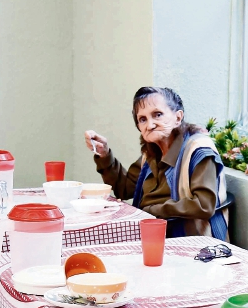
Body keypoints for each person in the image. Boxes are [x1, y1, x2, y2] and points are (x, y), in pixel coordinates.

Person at [85, 87, 228, 239]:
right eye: (142, 119)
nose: (150, 125)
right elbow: (124, 189)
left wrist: (149, 211)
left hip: (189, 239)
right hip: (149, 231)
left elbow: (203, 205)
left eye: (157, 115)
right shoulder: (152, 152)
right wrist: (104, 154)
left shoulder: (198, 151)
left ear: (178, 118)